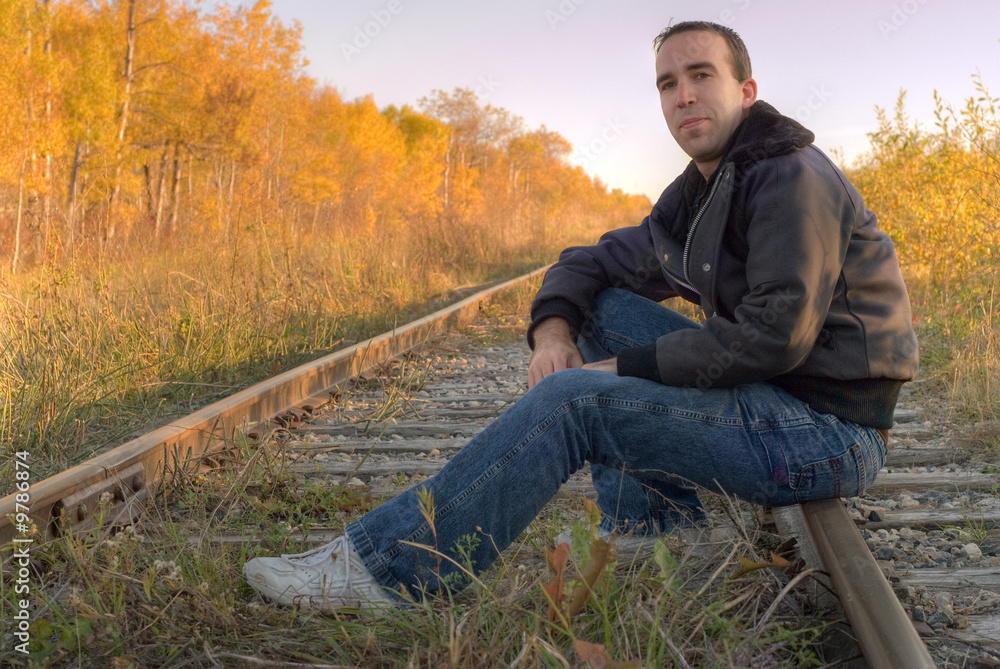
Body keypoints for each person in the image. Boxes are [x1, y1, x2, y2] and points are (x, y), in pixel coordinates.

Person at [243, 20, 919, 613]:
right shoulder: (699, 194)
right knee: (598, 306)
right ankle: (653, 531)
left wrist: (617, 370)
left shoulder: (789, 176)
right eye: (667, 82)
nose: (683, 94)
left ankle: (393, 573)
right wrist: (553, 333)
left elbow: (777, 335)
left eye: (701, 75)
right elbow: (586, 262)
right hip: (772, 402)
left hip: (826, 434)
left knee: (575, 401)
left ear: (745, 91)